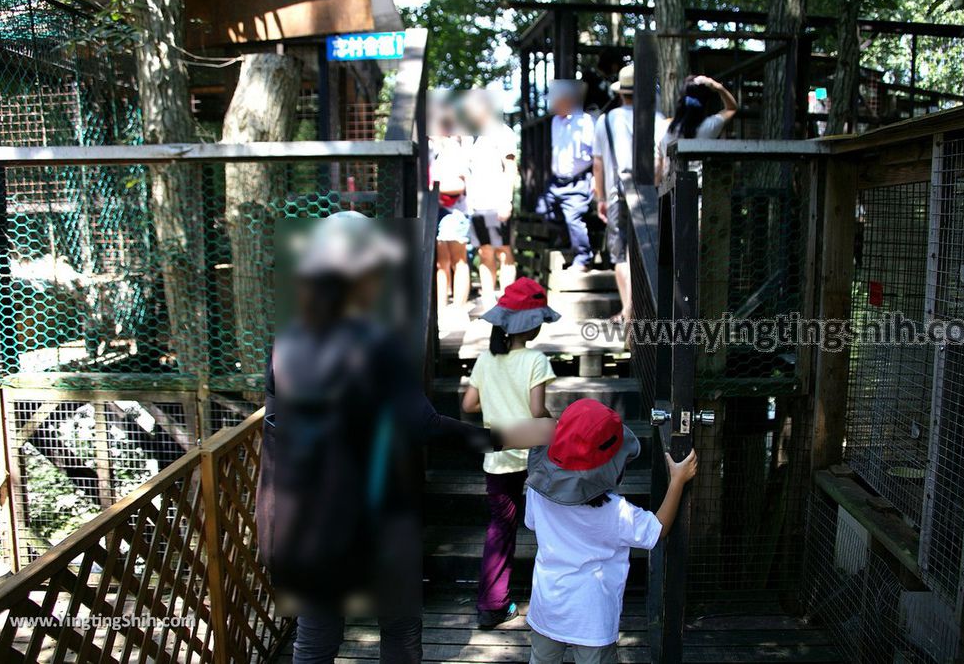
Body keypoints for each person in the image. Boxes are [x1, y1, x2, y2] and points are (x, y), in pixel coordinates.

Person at [256, 212, 556, 664]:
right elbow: (425, 426)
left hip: (305, 517)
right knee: (399, 625)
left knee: (315, 636)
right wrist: (508, 435)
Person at [524, 399, 698, 664]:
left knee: (541, 659)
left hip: (547, 602)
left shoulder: (538, 491)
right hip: (591, 615)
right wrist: (677, 480)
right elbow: (658, 529)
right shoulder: (614, 511)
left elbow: (532, 524)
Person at [461, 277, 560, 629]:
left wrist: (496, 403)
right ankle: (556, 603)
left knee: (500, 528)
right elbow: (537, 411)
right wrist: (558, 423)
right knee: (550, 525)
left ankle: (492, 605)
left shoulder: (487, 360)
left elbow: (469, 403)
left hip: (498, 453)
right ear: (533, 327)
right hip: (532, 455)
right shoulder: (536, 360)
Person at [592, 65, 668, 323]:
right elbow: (661, 160)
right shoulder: (657, 118)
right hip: (649, 193)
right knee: (648, 250)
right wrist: (655, 188)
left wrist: (600, 198)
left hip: (617, 194)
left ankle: (628, 310)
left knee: (621, 253)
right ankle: (647, 310)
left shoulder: (605, 120)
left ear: (621, 93)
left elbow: (598, 164)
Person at [535, 80, 598, 272]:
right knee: (543, 210)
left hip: (578, 179)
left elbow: (597, 154)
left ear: (567, 100)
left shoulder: (586, 122)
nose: (551, 104)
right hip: (557, 181)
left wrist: (596, 179)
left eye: (555, 100)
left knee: (574, 218)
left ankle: (583, 257)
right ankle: (567, 237)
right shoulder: (555, 121)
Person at [465, 91, 518, 306]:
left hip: (498, 202)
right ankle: (488, 301)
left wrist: (507, 201)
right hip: (477, 205)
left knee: (504, 251)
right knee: (484, 251)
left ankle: (507, 301)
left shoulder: (503, 132)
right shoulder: (470, 137)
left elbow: (511, 167)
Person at [430, 116, 472, 310]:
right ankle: (441, 308)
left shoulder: (454, 150)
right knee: (441, 264)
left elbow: (459, 185)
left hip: (455, 214)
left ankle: (459, 309)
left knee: (459, 262)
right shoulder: (435, 153)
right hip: (439, 212)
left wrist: (431, 188)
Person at [660, 75, 738, 175]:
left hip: (668, 186)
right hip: (697, 185)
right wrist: (719, 87)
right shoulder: (710, 126)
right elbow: (732, 108)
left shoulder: (665, 127)